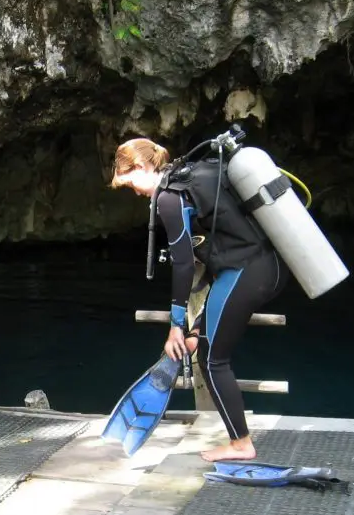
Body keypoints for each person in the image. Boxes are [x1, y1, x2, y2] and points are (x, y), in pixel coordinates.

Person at [109, 137, 288, 461]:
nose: (133, 191)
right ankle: (237, 438)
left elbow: (184, 264)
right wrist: (194, 331)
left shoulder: (169, 196)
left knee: (212, 360)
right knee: (203, 346)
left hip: (245, 273)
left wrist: (176, 326)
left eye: (130, 180)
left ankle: (241, 444)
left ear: (142, 166)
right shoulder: (191, 176)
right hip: (268, 267)